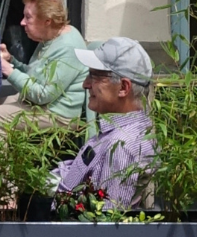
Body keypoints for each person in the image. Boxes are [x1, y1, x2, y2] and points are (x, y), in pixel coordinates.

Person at [52, 37, 156, 210]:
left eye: (94, 76)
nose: (85, 84)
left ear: (123, 88)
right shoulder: (127, 131)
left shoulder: (121, 146)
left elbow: (107, 217)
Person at [0, 0, 88, 128]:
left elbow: (43, 95)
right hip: (38, 105)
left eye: (28, 17)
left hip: (57, 115)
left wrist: (7, 70)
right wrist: (11, 61)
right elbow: (35, 76)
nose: (22, 22)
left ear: (47, 21)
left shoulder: (68, 47)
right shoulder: (50, 37)